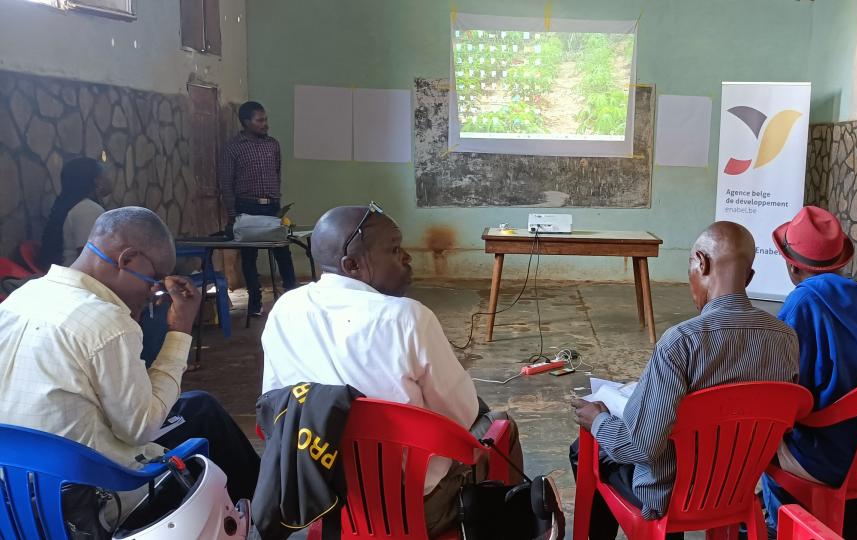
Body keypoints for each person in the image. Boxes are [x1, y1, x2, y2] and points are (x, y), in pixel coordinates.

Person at [260, 205, 522, 537]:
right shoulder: (407, 318)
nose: (408, 257)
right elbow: (463, 416)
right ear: (352, 265)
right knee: (500, 423)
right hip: (416, 507)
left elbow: (274, 405)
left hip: (324, 502)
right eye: (395, 249)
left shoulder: (286, 310)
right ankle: (509, 525)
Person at [0, 207, 261, 529]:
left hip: (14, 490)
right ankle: (262, 511)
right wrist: (180, 330)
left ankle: (264, 505)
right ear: (127, 260)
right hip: (87, 499)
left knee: (198, 406)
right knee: (204, 429)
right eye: (153, 281)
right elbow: (140, 429)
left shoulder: (23, 295)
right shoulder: (105, 321)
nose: (153, 293)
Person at [569, 221, 800, 540]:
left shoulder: (681, 342)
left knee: (587, 448)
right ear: (748, 277)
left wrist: (598, 420)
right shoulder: (785, 339)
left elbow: (641, 445)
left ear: (702, 263)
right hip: (738, 486)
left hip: (672, 497)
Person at [758, 206, 857, 534]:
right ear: (841, 261)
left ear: (791, 265)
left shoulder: (802, 304)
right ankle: (843, 518)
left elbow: (791, 392)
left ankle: (780, 524)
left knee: (759, 438)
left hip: (830, 458)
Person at [218, 100, 297, 317]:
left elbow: (277, 174)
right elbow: (226, 184)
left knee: (282, 250)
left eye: (265, 119)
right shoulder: (233, 148)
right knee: (249, 256)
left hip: (272, 206)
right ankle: (255, 302)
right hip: (246, 206)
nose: (265, 124)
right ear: (246, 122)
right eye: (259, 120)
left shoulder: (273, 144)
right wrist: (233, 216)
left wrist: (276, 201)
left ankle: (292, 296)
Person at [37, 156, 113, 270]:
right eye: (105, 175)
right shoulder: (87, 209)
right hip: (75, 279)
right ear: (97, 181)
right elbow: (90, 260)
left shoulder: (74, 205)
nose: (109, 179)